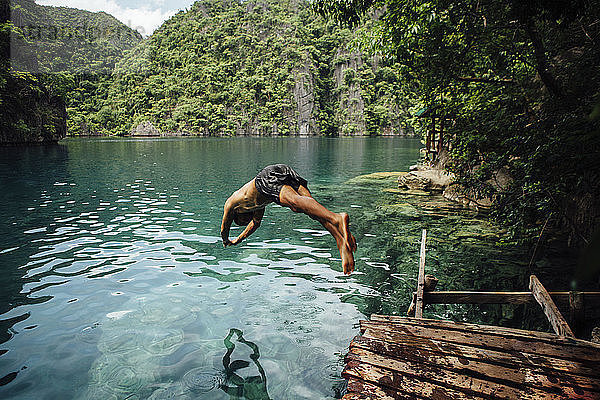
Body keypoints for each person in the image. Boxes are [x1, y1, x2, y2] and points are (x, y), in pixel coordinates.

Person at [220, 164, 357, 274]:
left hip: (266, 177)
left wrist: (226, 240)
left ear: (238, 213)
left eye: (242, 222)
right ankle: (340, 240)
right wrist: (239, 239)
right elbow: (255, 225)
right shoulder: (256, 207)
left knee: (296, 202)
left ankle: (336, 217)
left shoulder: (231, 203)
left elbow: (224, 227)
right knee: (309, 208)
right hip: (283, 171)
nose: (245, 223)